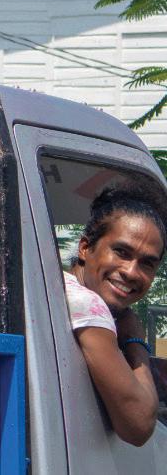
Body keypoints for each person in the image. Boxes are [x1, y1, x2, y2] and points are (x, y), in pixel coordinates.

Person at [65, 184, 164, 447]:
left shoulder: (61, 286)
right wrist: (135, 341)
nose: (131, 272)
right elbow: (139, 425)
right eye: (121, 252)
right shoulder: (88, 305)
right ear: (85, 247)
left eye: (147, 263)